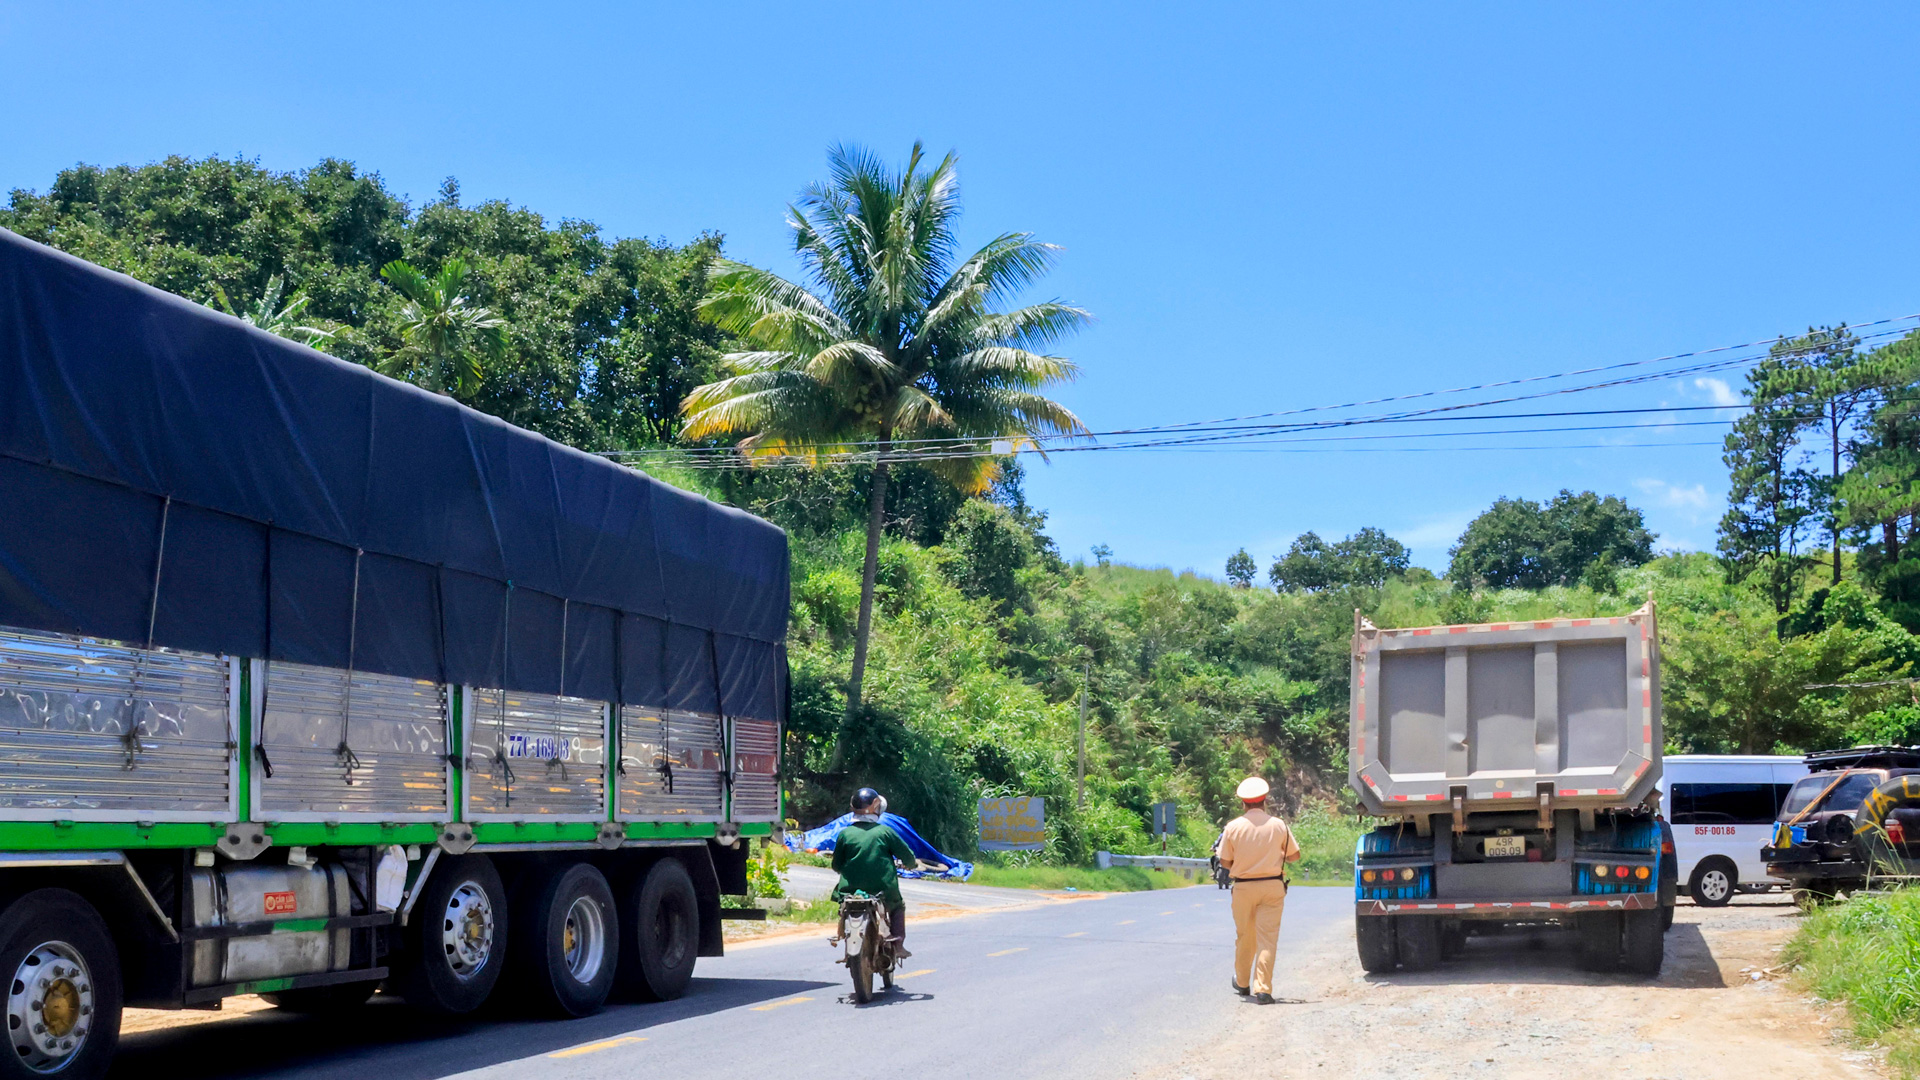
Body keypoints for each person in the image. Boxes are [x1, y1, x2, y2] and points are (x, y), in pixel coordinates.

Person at [1215, 776, 1301, 1005]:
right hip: (1272, 886)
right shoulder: (1279, 825)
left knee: (1245, 936)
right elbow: (1294, 856)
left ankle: (1242, 982)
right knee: (1267, 939)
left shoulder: (1233, 827)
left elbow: (1224, 861)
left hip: (1243, 887)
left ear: (1243, 803)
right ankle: (1263, 989)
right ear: (1265, 801)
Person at [830, 787, 916, 954]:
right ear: (875, 808)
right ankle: (898, 944)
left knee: (844, 905)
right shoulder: (885, 832)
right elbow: (908, 858)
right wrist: (911, 865)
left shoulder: (845, 834)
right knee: (898, 906)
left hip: (850, 890)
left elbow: (836, 865)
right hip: (883, 889)